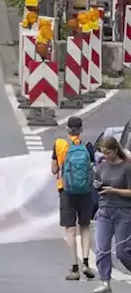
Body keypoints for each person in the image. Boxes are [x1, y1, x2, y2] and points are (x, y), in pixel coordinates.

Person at [53, 116, 98, 281]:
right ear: (81, 129)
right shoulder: (87, 146)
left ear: (67, 129)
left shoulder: (60, 144)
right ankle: (86, 262)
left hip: (66, 191)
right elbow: (93, 168)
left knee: (70, 230)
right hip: (85, 192)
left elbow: (53, 169)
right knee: (85, 226)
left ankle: (74, 267)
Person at [92, 136, 131, 293]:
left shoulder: (127, 167)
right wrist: (98, 187)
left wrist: (113, 190)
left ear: (116, 150)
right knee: (102, 248)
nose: (105, 155)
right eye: (103, 152)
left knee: (123, 251)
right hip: (104, 210)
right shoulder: (102, 166)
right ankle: (104, 281)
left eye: (108, 152)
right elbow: (99, 186)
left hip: (124, 212)